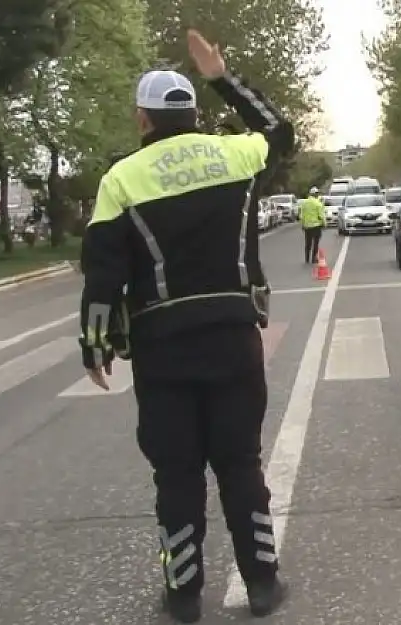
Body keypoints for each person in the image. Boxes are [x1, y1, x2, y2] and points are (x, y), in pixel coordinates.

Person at [76, 29, 295, 623]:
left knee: (176, 475)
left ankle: (184, 596)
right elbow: (280, 131)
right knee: (241, 464)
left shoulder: (121, 179)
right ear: (195, 114)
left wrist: (95, 343)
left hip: (162, 348)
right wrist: (223, 76)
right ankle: (262, 585)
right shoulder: (235, 154)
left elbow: (102, 271)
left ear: (142, 120)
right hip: (232, 337)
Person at [297, 187, 326, 263]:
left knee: (308, 243)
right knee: (315, 243)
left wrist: (302, 224)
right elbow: (321, 215)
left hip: (307, 226)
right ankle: (314, 258)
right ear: (316, 194)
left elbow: (301, 216)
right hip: (316, 226)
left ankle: (307, 258)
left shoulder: (304, 203)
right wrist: (324, 224)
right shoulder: (318, 203)